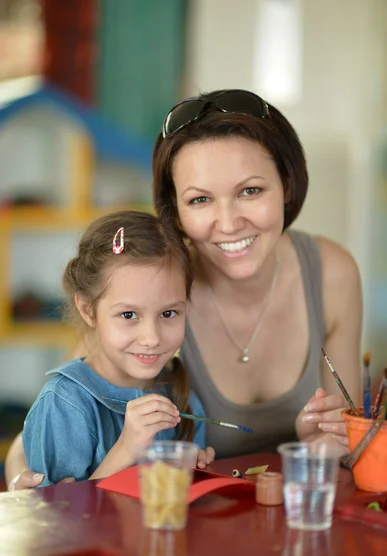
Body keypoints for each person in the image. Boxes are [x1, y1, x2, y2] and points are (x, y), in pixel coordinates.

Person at [6, 88, 361, 489]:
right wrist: (25, 481)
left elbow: (351, 441)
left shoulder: (332, 274)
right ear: (175, 209)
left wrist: (324, 447)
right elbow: (58, 415)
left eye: (250, 191)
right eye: (200, 199)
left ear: (287, 185)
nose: (227, 224)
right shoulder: (154, 290)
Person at [20, 211, 214, 486]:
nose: (151, 338)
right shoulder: (64, 404)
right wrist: (126, 450)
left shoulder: (183, 397)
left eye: (169, 313)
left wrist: (193, 472)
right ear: (88, 310)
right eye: (128, 315)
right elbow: (57, 519)